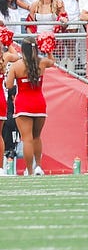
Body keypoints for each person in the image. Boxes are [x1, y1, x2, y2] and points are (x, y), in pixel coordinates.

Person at [4, 38, 52, 175]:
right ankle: (39, 167)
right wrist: (48, 50)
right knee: (37, 137)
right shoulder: (41, 62)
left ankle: (29, 171)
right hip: (39, 104)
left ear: (23, 49)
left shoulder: (16, 66)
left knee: (27, 139)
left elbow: (8, 85)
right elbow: (52, 62)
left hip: (23, 104)